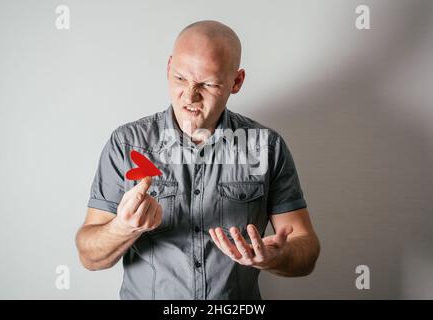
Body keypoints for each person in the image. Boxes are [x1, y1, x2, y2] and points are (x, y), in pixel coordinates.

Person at [76, 20, 320, 300]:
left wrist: (275, 257)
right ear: (169, 67)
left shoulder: (267, 147)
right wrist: (124, 227)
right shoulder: (126, 144)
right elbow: (89, 257)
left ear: (236, 81)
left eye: (208, 84)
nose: (189, 96)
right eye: (180, 78)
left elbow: (306, 249)